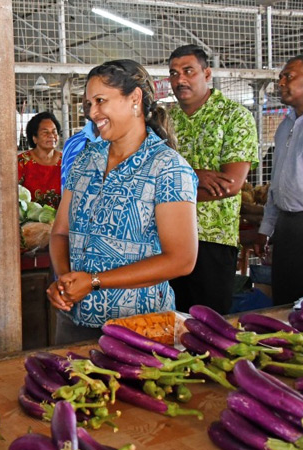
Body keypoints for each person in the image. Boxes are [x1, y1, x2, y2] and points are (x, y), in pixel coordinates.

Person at [47, 60, 198, 346]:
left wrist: (93, 281)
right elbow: (60, 232)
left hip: (140, 327)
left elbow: (181, 259)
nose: (92, 113)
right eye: (89, 103)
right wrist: (65, 280)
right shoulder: (86, 160)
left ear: (135, 99)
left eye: (101, 101)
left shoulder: (167, 168)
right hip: (74, 319)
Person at [166, 45, 259, 315]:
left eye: (188, 71)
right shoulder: (165, 120)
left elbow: (230, 184)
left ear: (206, 73)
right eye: (173, 73)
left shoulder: (234, 116)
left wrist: (169, 192)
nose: (180, 79)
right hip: (166, 238)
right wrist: (196, 176)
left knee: (209, 326)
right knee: (169, 325)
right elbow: (149, 177)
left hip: (213, 239)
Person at [254, 55, 303, 305]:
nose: (281, 82)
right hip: (287, 227)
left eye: (289, 76)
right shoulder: (286, 125)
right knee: (285, 298)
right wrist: (266, 228)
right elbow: (277, 184)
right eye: (281, 77)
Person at [18, 112, 62, 201]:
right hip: (29, 215)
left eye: (54, 131)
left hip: (63, 215)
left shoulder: (66, 161)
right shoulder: (22, 162)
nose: (51, 136)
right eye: (45, 132)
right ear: (34, 138)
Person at [60, 103, 100, 191]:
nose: (87, 100)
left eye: (99, 98)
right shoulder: (72, 143)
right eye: (86, 92)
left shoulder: (124, 142)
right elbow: (66, 189)